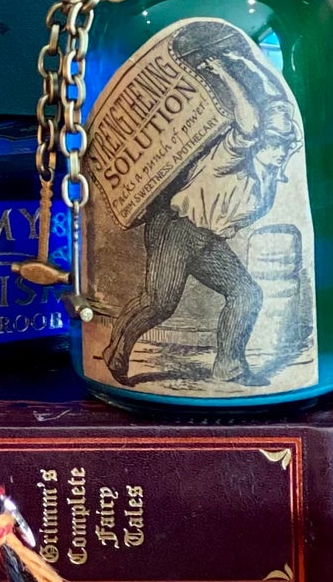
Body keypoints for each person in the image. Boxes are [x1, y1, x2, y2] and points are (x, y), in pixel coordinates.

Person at [104, 25, 305, 387]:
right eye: (274, 142)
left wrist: (248, 61)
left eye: (285, 143)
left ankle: (229, 366)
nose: (281, 150)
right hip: (176, 229)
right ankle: (115, 351)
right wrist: (224, 71)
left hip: (206, 241)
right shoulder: (232, 157)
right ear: (261, 144)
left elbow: (276, 102)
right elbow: (249, 121)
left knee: (246, 294)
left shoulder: (269, 180)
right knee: (159, 303)